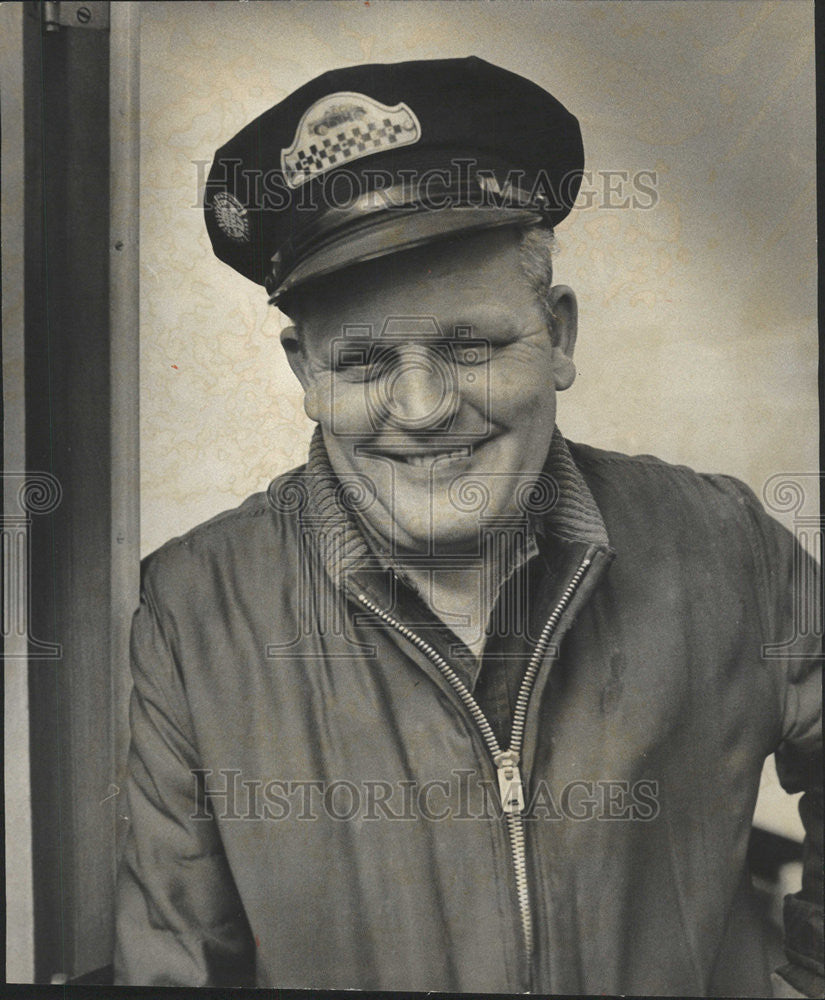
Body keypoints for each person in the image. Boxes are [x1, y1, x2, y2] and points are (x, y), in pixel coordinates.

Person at [113, 56, 822, 995]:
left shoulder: (729, 542)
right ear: (305, 373)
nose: (420, 405)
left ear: (558, 336)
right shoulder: (194, 608)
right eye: (364, 362)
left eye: (470, 345)